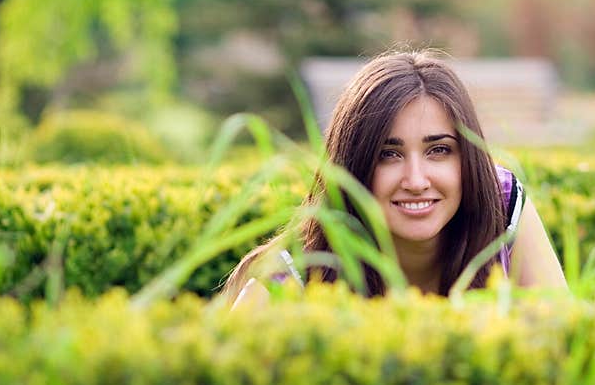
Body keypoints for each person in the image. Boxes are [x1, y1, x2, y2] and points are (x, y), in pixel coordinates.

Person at [223, 48, 567, 310]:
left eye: (439, 150)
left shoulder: (502, 202)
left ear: (468, 158)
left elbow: (565, 337)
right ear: (352, 166)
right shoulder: (293, 275)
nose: (416, 180)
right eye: (388, 154)